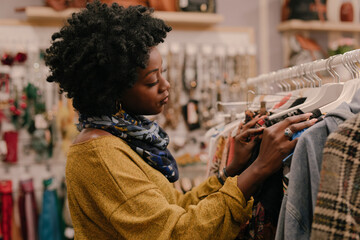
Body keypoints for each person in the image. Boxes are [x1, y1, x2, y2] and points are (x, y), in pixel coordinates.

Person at [45, 1, 317, 239]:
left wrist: (232, 170)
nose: (167, 85)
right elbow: (178, 233)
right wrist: (258, 169)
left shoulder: (121, 140)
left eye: (162, 73)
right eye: (153, 81)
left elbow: (176, 206)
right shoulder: (100, 154)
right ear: (114, 91)